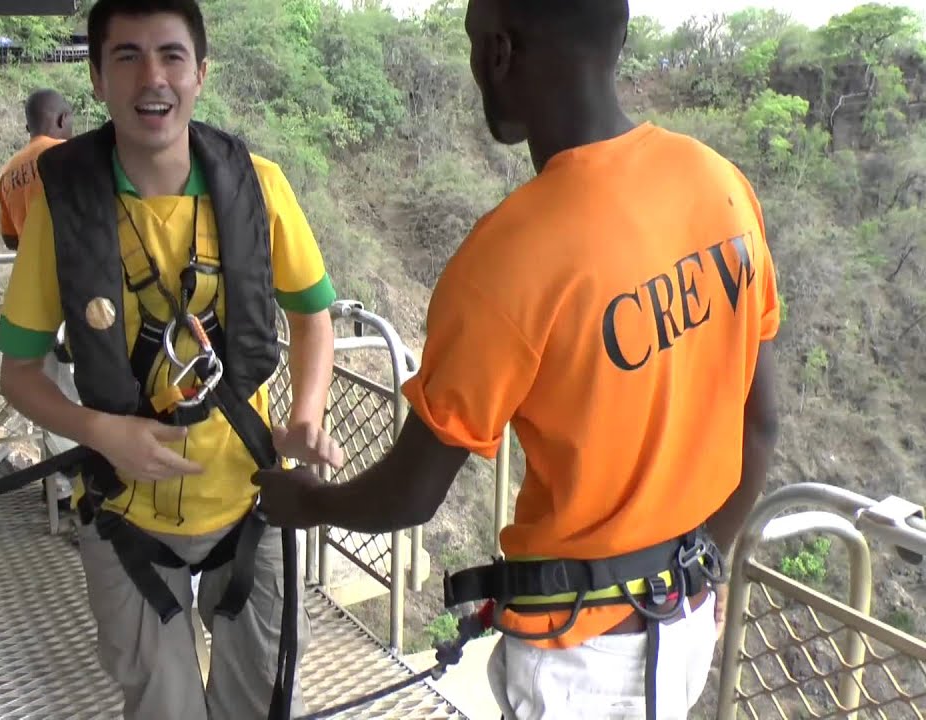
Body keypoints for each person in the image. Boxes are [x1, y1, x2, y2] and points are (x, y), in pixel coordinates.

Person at [252, 1, 781, 719]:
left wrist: (305, 502)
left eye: (475, 45)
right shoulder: (720, 186)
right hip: (683, 623)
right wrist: (702, 569)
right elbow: (761, 427)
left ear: (498, 52)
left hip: (579, 663)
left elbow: (411, 493)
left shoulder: (508, 259)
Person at [0, 1, 345, 718]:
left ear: (201, 73)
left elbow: (312, 318)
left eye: (171, 55)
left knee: (260, 704)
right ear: (95, 77)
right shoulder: (62, 209)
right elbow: (20, 373)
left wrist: (306, 416)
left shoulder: (259, 187)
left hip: (252, 500)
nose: (151, 77)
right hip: (125, 514)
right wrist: (102, 431)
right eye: (126, 56)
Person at [0, 88, 75, 251]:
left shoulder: (6, 173)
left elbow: (10, 240)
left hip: (34, 272)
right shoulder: (73, 154)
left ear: (28, 128)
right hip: (75, 269)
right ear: (62, 119)